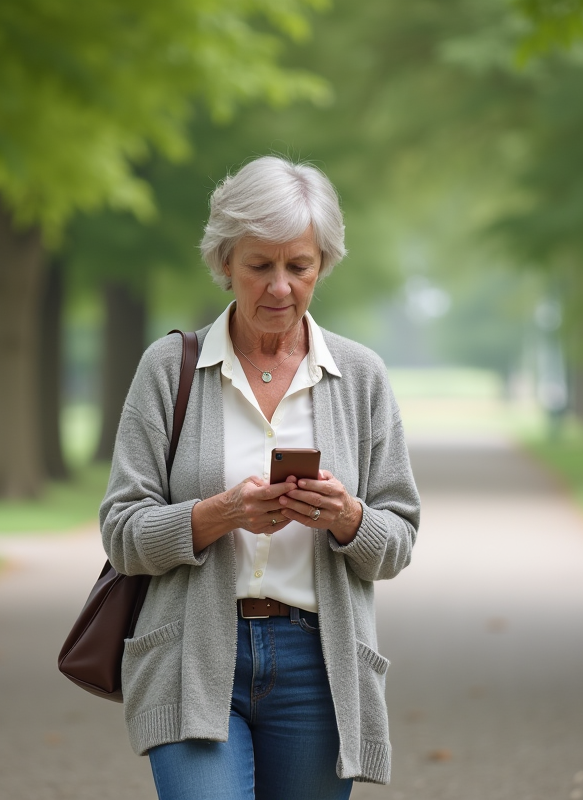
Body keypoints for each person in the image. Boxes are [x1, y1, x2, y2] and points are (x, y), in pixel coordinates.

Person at [100, 155, 421, 799]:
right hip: (193, 653)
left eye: (298, 266)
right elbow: (121, 533)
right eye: (259, 266)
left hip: (319, 667)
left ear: (322, 265)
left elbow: (398, 541)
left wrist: (347, 518)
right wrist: (221, 513)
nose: (280, 287)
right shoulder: (169, 369)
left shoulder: (360, 378)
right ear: (224, 263)